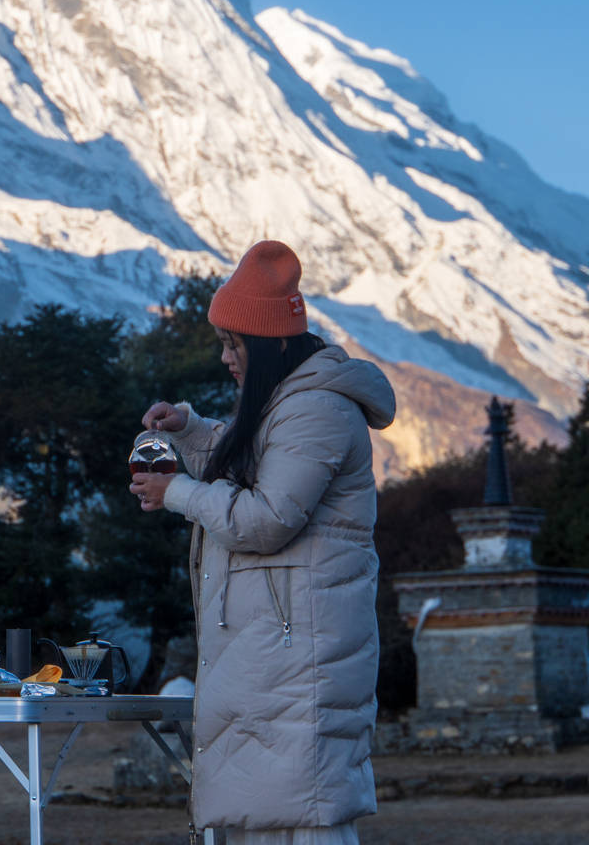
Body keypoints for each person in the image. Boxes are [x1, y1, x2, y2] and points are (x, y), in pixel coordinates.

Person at [129, 240, 395, 844]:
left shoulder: (318, 411)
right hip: (279, 658)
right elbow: (255, 462)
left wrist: (176, 493)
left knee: (304, 820)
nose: (226, 357)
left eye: (233, 343)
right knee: (273, 816)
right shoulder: (293, 406)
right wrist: (193, 431)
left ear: (271, 343)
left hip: (300, 665)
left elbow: (266, 517)